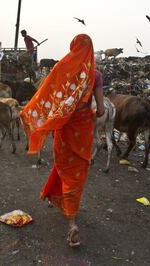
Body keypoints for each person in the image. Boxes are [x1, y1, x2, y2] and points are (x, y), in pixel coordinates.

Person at [20, 34, 105, 248]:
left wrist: (35, 114)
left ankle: (71, 219)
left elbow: (47, 94)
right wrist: (92, 110)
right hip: (83, 128)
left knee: (63, 164)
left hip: (65, 127)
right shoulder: (95, 74)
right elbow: (102, 110)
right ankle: (71, 215)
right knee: (77, 170)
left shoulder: (62, 68)